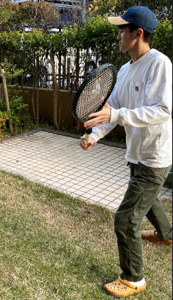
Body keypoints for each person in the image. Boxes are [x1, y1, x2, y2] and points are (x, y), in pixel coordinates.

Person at [79, 6, 172, 298]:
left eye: (123, 30)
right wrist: (94, 135)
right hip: (137, 154)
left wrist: (117, 116)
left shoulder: (160, 64)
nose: (119, 35)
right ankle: (166, 235)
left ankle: (133, 279)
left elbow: (162, 110)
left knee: (125, 219)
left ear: (138, 33)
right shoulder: (125, 69)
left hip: (154, 157)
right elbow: (112, 110)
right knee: (149, 198)